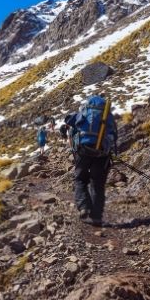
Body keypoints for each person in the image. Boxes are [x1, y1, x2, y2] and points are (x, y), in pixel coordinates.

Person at [65, 95, 118, 227]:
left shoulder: (84, 111)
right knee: (98, 184)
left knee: (81, 179)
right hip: (102, 153)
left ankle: (84, 207)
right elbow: (114, 135)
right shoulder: (108, 116)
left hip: (83, 150)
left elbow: (69, 120)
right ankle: (96, 218)